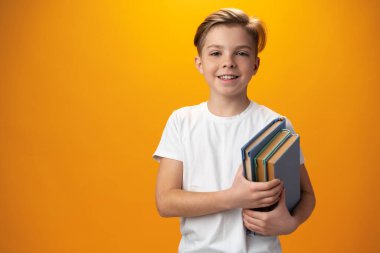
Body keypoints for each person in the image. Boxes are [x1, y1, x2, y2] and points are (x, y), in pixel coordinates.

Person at [153, 8, 315, 253]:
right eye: (216, 53)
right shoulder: (181, 121)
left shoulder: (275, 125)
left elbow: (307, 195)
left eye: (241, 53)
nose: (228, 61)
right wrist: (235, 197)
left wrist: (290, 223)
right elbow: (165, 202)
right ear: (200, 63)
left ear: (255, 65)